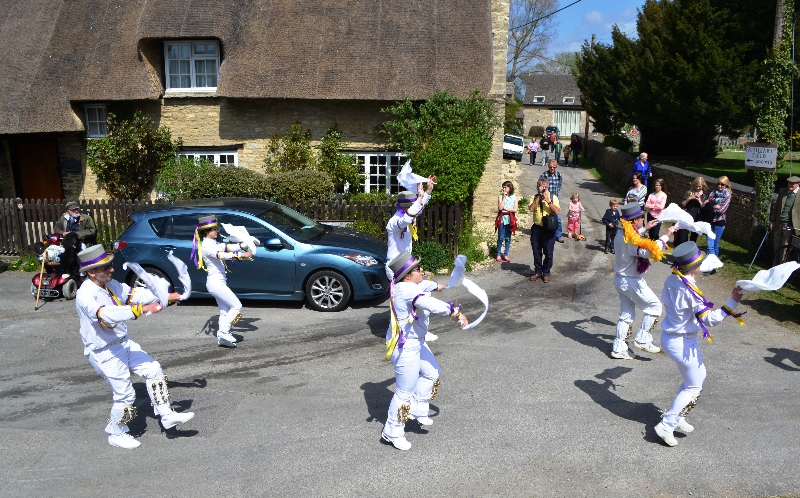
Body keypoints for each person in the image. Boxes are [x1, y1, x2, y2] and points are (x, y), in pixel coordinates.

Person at [75, 244, 194, 449]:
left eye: (111, 265)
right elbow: (107, 315)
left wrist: (166, 296)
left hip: (124, 343)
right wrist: (142, 309)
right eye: (106, 267)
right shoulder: (85, 295)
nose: (112, 269)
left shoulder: (110, 284)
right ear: (91, 272)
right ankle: (116, 432)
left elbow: (134, 294)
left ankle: (166, 415)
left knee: (153, 369)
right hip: (105, 352)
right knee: (125, 396)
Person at [653, 241, 746, 447]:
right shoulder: (690, 289)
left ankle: (677, 416)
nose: (702, 263)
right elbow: (709, 320)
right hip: (682, 341)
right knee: (694, 385)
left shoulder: (673, 278)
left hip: (673, 337)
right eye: (699, 262)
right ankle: (667, 424)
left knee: (698, 376)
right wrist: (733, 301)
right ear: (694, 267)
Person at [381, 251, 468, 451]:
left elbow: (427, 285)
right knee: (404, 392)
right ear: (407, 276)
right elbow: (429, 303)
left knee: (431, 373)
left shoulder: (409, 285)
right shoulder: (406, 289)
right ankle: (392, 431)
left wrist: (439, 285)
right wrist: (456, 311)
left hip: (416, 342)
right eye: (418, 269)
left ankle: (418, 409)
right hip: (405, 346)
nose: (422, 270)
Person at [611, 203, 678, 359]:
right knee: (654, 307)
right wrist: (666, 235)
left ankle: (619, 348)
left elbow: (633, 237)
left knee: (626, 314)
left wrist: (645, 229)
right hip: (631, 281)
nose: (643, 219)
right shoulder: (631, 240)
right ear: (635, 220)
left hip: (621, 280)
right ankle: (643, 339)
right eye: (642, 217)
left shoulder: (621, 233)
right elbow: (648, 251)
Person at [386, 178, 437, 341]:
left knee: (418, 296)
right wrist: (420, 199)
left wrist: (427, 192)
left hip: (405, 265)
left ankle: (414, 330)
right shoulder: (395, 221)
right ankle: (408, 332)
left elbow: (417, 211)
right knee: (419, 296)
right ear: (404, 207)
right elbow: (407, 219)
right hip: (396, 267)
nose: (415, 207)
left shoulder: (407, 216)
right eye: (412, 205)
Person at [190, 215, 253, 348]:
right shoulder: (206, 246)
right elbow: (221, 255)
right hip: (215, 283)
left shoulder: (214, 243)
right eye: (214, 229)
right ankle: (224, 332)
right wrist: (241, 254)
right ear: (207, 231)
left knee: (225, 311)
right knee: (237, 306)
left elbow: (227, 247)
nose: (217, 231)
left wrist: (245, 244)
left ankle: (223, 337)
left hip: (218, 282)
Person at [528, 178, 561, 283]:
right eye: (541, 187)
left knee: (548, 252)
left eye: (545, 187)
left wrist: (548, 201)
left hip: (549, 229)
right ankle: (538, 271)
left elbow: (557, 212)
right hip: (537, 228)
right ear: (538, 187)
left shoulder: (553, 197)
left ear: (548, 187)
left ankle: (546, 273)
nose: (543, 189)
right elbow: (531, 209)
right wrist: (539, 197)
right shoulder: (534, 197)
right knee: (536, 251)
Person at [703, 176, 732, 270]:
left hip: (719, 221)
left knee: (715, 244)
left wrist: (711, 205)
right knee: (709, 243)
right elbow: (705, 205)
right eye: (718, 184)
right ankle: (710, 263)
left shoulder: (727, 195)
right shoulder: (713, 193)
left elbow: (722, 210)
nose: (719, 186)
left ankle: (713, 264)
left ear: (726, 185)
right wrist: (713, 206)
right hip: (710, 220)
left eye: (722, 184)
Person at [770, 175, 800, 258]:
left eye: (792, 184)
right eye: (789, 183)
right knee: (776, 245)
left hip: (790, 225)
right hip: (779, 223)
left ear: (798, 184)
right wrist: (773, 220)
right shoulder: (783, 191)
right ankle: (775, 263)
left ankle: (782, 263)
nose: (790, 185)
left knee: (785, 247)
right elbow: (776, 207)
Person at [676, 177, 708, 245]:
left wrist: (699, 201)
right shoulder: (689, 193)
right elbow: (682, 205)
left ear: (703, 186)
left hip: (697, 217)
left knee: (693, 238)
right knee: (682, 237)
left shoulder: (705, 196)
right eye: (696, 186)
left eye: (700, 186)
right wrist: (690, 198)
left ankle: (690, 250)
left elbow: (704, 209)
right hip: (687, 216)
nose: (698, 188)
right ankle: (682, 249)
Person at [539, 160, 565, 242]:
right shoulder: (544, 175)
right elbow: (540, 186)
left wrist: (556, 195)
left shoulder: (559, 175)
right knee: (545, 217)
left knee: (558, 218)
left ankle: (558, 235)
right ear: (548, 167)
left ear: (556, 167)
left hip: (555, 199)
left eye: (554, 167)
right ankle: (544, 233)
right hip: (546, 198)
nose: (552, 168)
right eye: (550, 167)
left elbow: (559, 185)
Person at [495, 181, 519, 262]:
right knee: (501, 237)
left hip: (510, 218)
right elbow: (500, 208)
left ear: (510, 188)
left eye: (505, 187)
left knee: (508, 238)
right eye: (503, 187)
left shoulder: (514, 197)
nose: (504, 189)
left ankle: (506, 254)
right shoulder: (501, 197)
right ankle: (498, 254)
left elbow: (515, 209)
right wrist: (504, 198)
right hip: (502, 218)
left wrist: (508, 209)